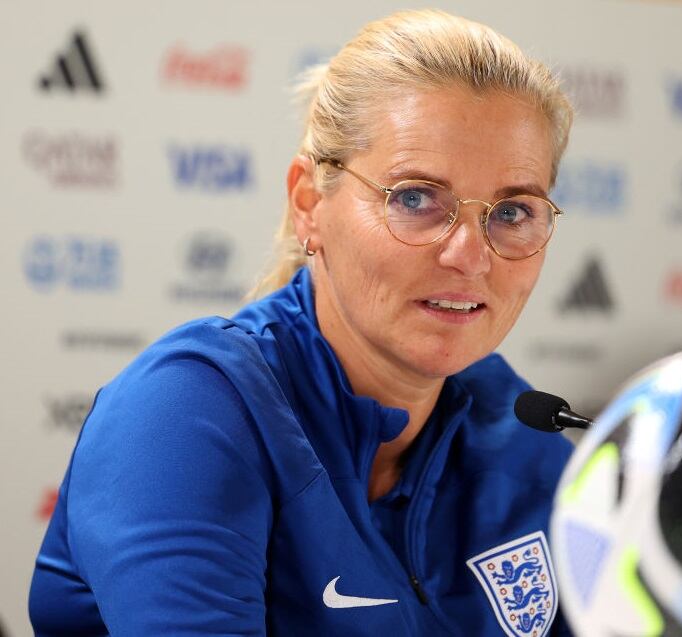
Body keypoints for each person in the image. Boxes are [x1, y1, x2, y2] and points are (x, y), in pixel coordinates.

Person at [29, 9, 575, 635]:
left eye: (511, 211)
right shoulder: (186, 411)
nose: (470, 255)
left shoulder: (523, 435)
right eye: (417, 199)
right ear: (310, 205)